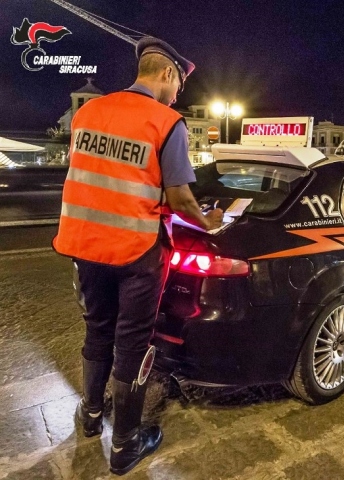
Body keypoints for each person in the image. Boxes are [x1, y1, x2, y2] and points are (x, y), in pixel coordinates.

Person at [52, 36, 223, 476]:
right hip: (135, 252)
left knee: (97, 328)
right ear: (167, 74)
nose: (176, 96)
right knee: (133, 342)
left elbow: (106, 175)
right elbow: (182, 198)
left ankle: (90, 416)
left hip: (84, 244)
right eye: (178, 87)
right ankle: (126, 444)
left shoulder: (87, 113)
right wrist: (212, 221)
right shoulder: (166, 122)